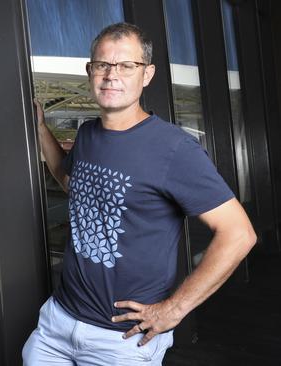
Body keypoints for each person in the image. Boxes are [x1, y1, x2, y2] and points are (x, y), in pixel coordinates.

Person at [22, 22, 257, 365]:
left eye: (126, 66)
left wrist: (173, 310)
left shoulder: (174, 149)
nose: (111, 75)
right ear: (90, 72)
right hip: (57, 324)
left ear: (147, 75)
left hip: (121, 342)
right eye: (102, 64)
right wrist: (41, 128)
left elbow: (239, 234)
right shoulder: (87, 135)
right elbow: (72, 182)